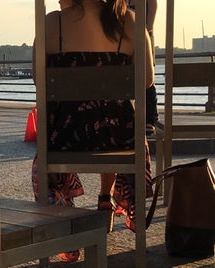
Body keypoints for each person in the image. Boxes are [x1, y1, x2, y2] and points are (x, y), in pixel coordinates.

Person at [32, 0, 155, 262]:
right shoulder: (130, 21)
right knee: (119, 124)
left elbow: (37, 79)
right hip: (118, 137)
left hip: (65, 136)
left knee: (43, 155)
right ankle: (118, 206)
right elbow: (146, 80)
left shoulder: (52, 23)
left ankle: (65, 224)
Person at [128, 0, 159, 134]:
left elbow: (152, 5)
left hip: (143, 33)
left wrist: (147, 27)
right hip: (125, 34)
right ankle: (132, 112)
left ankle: (149, 118)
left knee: (147, 78)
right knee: (127, 72)